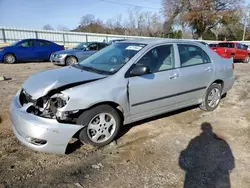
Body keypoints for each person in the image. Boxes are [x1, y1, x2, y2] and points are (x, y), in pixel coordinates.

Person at [179, 122, 235, 188]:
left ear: (202, 129)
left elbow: (185, 162)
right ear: (211, 129)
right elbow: (230, 164)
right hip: (217, 181)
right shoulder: (221, 143)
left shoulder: (195, 142)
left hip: (197, 181)